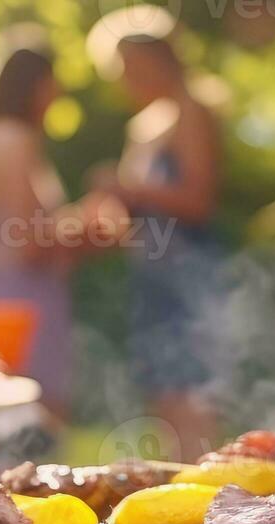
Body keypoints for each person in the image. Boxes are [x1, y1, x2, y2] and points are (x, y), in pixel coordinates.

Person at [89, 12, 226, 459]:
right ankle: (179, 497)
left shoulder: (192, 110)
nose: (124, 80)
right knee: (162, 393)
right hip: (151, 275)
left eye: (129, 67)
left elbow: (198, 200)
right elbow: (139, 210)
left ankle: (209, 494)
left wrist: (128, 187)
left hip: (189, 275)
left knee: (191, 391)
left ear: (155, 59)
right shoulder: (143, 124)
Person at [0, 29, 125, 419]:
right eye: (52, 84)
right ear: (36, 85)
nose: (57, 94)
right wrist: (90, 226)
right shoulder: (20, 141)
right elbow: (28, 241)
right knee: (37, 422)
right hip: (27, 302)